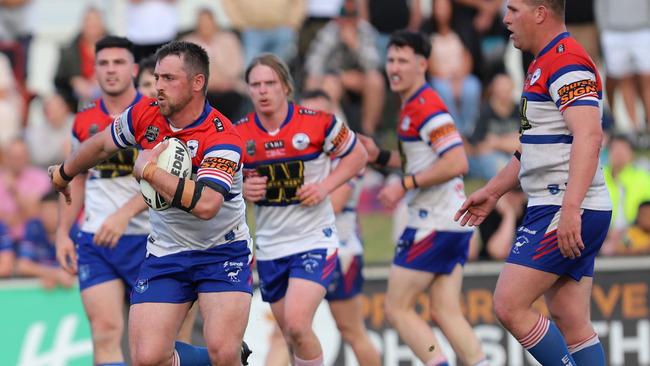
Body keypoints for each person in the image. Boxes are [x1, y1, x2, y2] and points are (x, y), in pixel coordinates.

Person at [455, 1, 613, 365]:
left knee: (509, 305)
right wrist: (494, 191)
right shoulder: (543, 62)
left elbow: (589, 137)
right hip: (562, 202)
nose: (506, 18)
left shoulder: (566, 61)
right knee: (571, 320)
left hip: (565, 204)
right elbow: (532, 148)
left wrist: (571, 207)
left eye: (513, 9)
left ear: (541, 12)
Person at [53, 37, 221, 366]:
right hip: (96, 238)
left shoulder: (160, 112)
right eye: (103, 63)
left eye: (118, 63)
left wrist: (124, 214)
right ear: (95, 69)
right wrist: (63, 232)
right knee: (104, 332)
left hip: (152, 239)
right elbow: (77, 179)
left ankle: (223, 357)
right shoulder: (84, 120)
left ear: (133, 69)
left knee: (170, 345)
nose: (111, 70)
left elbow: (175, 179)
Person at [359, 30, 488, 366]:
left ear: (422, 64)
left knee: (396, 309)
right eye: (390, 60)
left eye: (403, 60)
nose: (394, 68)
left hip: (432, 221)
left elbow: (457, 161)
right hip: (452, 221)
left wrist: (405, 185)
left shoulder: (426, 106)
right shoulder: (411, 106)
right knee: (446, 312)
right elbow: (424, 159)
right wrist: (380, 157)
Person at [238, 54, 367, 366]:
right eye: (255, 85)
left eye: (270, 83)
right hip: (270, 247)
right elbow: (221, 183)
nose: (263, 90)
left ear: (285, 87)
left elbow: (358, 155)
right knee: (289, 336)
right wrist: (241, 189)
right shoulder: (238, 134)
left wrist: (325, 186)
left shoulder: (318, 122)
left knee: (298, 324)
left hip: (313, 240)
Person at [263, 89, 380, 366]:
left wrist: (288, 190)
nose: (311, 120)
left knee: (352, 331)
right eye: (307, 113)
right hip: (297, 248)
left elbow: (336, 203)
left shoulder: (344, 157)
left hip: (340, 251)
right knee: (286, 334)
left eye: (319, 114)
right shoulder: (291, 152)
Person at [15, 191, 76, 289]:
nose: (48, 216)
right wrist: (53, 274)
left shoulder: (74, 230)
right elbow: (23, 266)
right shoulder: (33, 228)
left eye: (53, 211)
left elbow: (85, 266)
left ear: (63, 211)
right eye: (44, 211)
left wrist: (49, 274)